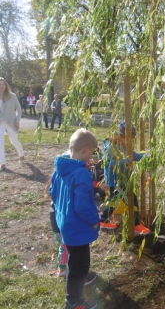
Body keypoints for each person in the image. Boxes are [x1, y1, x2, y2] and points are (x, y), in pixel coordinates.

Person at [49, 128, 100, 309]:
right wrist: (95, 220)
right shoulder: (82, 174)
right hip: (78, 228)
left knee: (75, 261)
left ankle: (75, 295)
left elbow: (52, 192)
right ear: (85, 150)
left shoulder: (60, 167)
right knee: (79, 266)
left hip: (64, 223)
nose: (91, 157)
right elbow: (82, 206)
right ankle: (73, 302)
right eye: (92, 152)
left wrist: (63, 208)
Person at [101, 121, 150, 235]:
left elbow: (134, 156)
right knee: (132, 200)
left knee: (113, 201)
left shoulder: (124, 146)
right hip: (115, 181)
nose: (130, 141)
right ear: (120, 135)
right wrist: (126, 161)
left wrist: (146, 156)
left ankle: (102, 220)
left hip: (121, 181)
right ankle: (136, 225)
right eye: (128, 138)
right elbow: (111, 164)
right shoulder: (110, 147)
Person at [0, 77, 25, 170]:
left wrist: (17, 121)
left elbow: (19, 110)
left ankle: (21, 155)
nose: (1, 86)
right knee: (0, 143)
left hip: (11, 122)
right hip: (0, 123)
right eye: (0, 84)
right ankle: (2, 163)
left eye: (3, 84)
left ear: (6, 85)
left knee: (14, 141)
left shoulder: (12, 96)